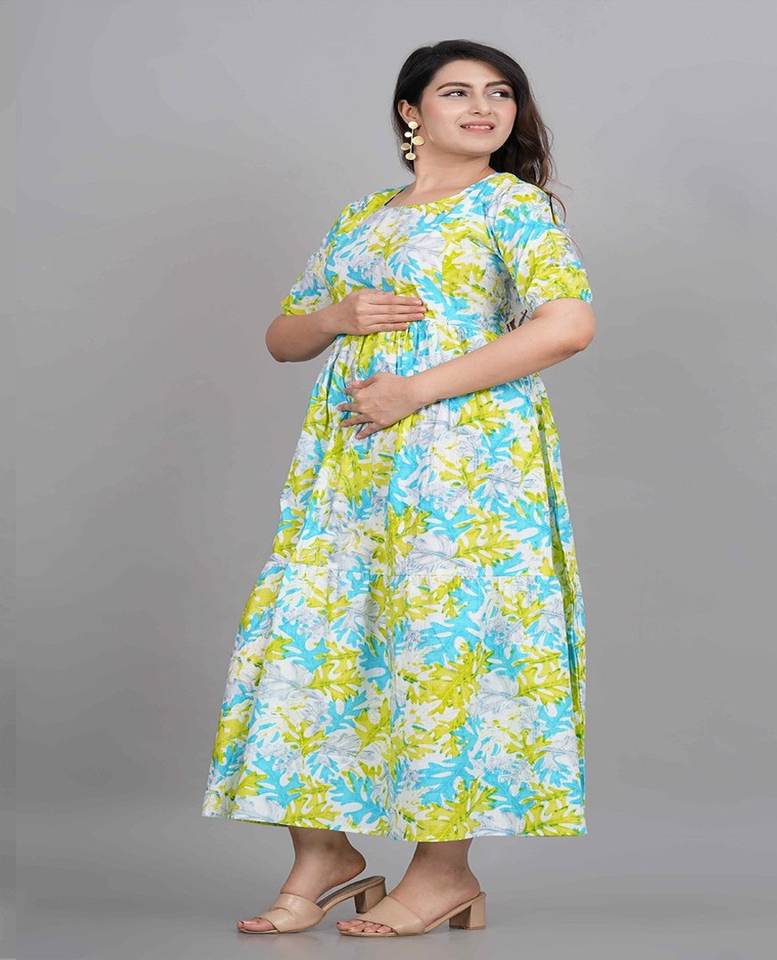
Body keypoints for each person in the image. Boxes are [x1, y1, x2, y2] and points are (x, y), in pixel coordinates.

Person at [200, 38, 596, 939]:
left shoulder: (512, 206)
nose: (483, 107)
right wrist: (336, 317)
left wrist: (416, 389)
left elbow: (568, 325)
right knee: (319, 640)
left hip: (466, 468)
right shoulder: (363, 216)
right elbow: (282, 338)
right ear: (412, 113)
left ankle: (444, 873)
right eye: (457, 92)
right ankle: (324, 858)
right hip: (351, 470)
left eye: (500, 93)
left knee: (445, 648)